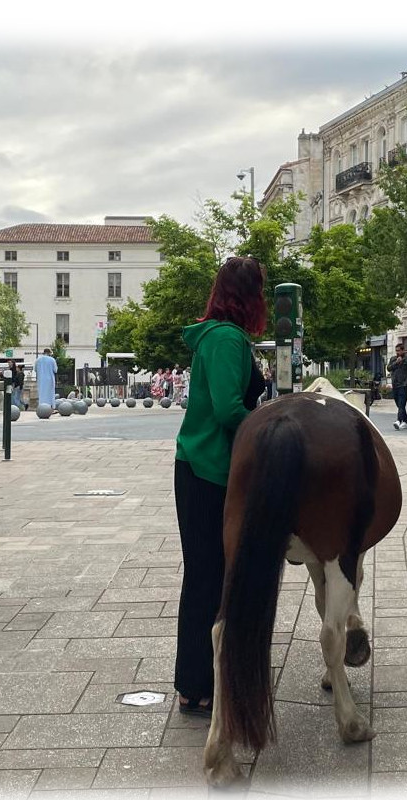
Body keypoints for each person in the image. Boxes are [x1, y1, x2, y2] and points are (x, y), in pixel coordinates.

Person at [174, 256, 267, 718]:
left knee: (203, 576)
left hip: (196, 464)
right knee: (209, 578)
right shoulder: (228, 339)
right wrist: (269, 427)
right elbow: (231, 409)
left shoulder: (212, 335)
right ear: (249, 296)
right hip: (210, 469)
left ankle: (194, 684)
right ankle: (197, 684)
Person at [387, 343, 407, 430]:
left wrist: (406, 383)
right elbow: (389, 368)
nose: (397, 352)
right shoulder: (393, 359)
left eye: (399, 350)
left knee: (402, 403)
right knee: (399, 404)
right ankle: (405, 421)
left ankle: (398, 420)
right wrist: (396, 362)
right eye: (396, 351)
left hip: (403, 385)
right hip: (395, 384)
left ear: (403, 350)